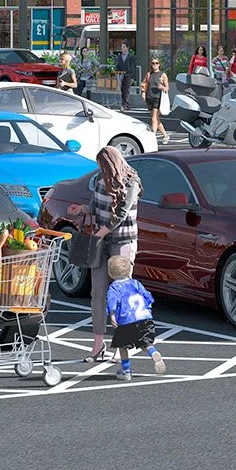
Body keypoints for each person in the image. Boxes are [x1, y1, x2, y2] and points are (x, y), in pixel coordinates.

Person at [81, 147, 140, 359]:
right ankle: (98, 344)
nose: (99, 170)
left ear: (111, 164)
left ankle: (123, 345)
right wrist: (82, 210)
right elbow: (94, 206)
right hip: (101, 243)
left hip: (122, 242)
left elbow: (121, 214)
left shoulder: (131, 182)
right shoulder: (99, 179)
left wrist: (100, 233)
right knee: (98, 293)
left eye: (102, 165)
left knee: (121, 293)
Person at [103, 257, 164, 379]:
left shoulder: (114, 287)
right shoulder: (136, 283)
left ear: (110, 273)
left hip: (126, 321)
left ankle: (126, 371)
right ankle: (153, 352)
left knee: (123, 346)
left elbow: (112, 302)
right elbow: (147, 296)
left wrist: (112, 315)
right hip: (143, 318)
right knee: (145, 342)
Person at [142, 57, 166, 138]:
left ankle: (152, 136)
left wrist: (162, 87)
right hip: (149, 97)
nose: (155, 65)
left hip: (157, 97)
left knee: (153, 118)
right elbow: (144, 84)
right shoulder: (148, 74)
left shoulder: (163, 75)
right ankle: (166, 136)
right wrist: (143, 93)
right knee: (156, 119)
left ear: (159, 64)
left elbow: (167, 88)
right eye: (153, 63)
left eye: (156, 63)